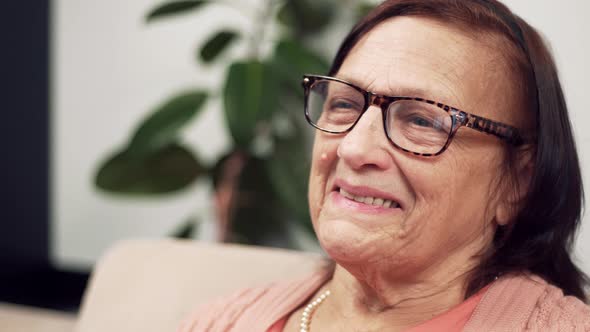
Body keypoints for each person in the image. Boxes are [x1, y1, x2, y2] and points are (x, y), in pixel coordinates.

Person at [179, 0, 590, 331]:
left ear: (517, 181)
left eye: (422, 120)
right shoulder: (221, 322)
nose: (354, 149)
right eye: (344, 104)